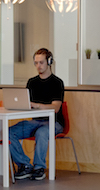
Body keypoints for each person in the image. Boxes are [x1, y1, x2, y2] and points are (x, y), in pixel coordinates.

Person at [7, 46, 64, 182]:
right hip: (35, 121)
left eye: (41, 62)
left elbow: (55, 108)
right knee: (9, 132)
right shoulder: (32, 82)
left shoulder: (57, 83)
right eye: (36, 63)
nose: (38, 66)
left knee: (42, 132)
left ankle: (39, 168)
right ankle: (25, 165)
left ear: (49, 62)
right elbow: (26, 104)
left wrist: (38, 105)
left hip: (54, 123)